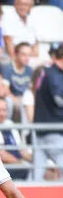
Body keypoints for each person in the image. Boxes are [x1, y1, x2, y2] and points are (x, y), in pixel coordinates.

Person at [32, 43, 63, 181]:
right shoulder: (54, 74)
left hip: (41, 131)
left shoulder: (46, 72)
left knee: (36, 177)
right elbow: (59, 99)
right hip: (53, 132)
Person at [0, 96, 31, 180]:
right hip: (0, 169)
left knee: (46, 168)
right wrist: (21, 164)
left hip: (16, 165)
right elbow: (1, 155)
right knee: (29, 170)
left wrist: (35, 160)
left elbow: (21, 149)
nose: (2, 114)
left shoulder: (9, 123)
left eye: (4, 110)